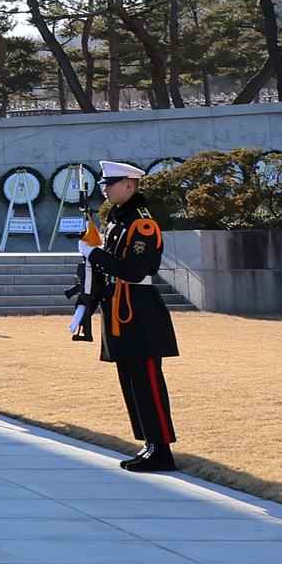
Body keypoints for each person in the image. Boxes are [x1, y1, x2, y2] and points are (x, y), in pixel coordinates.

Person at [89, 161, 182, 472]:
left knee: (147, 382)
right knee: (132, 383)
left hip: (139, 310)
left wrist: (94, 254)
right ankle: (150, 444)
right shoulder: (118, 221)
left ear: (129, 185)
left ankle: (162, 450)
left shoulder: (142, 225)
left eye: (110, 183)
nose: (105, 189)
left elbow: (133, 270)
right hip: (119, 307)